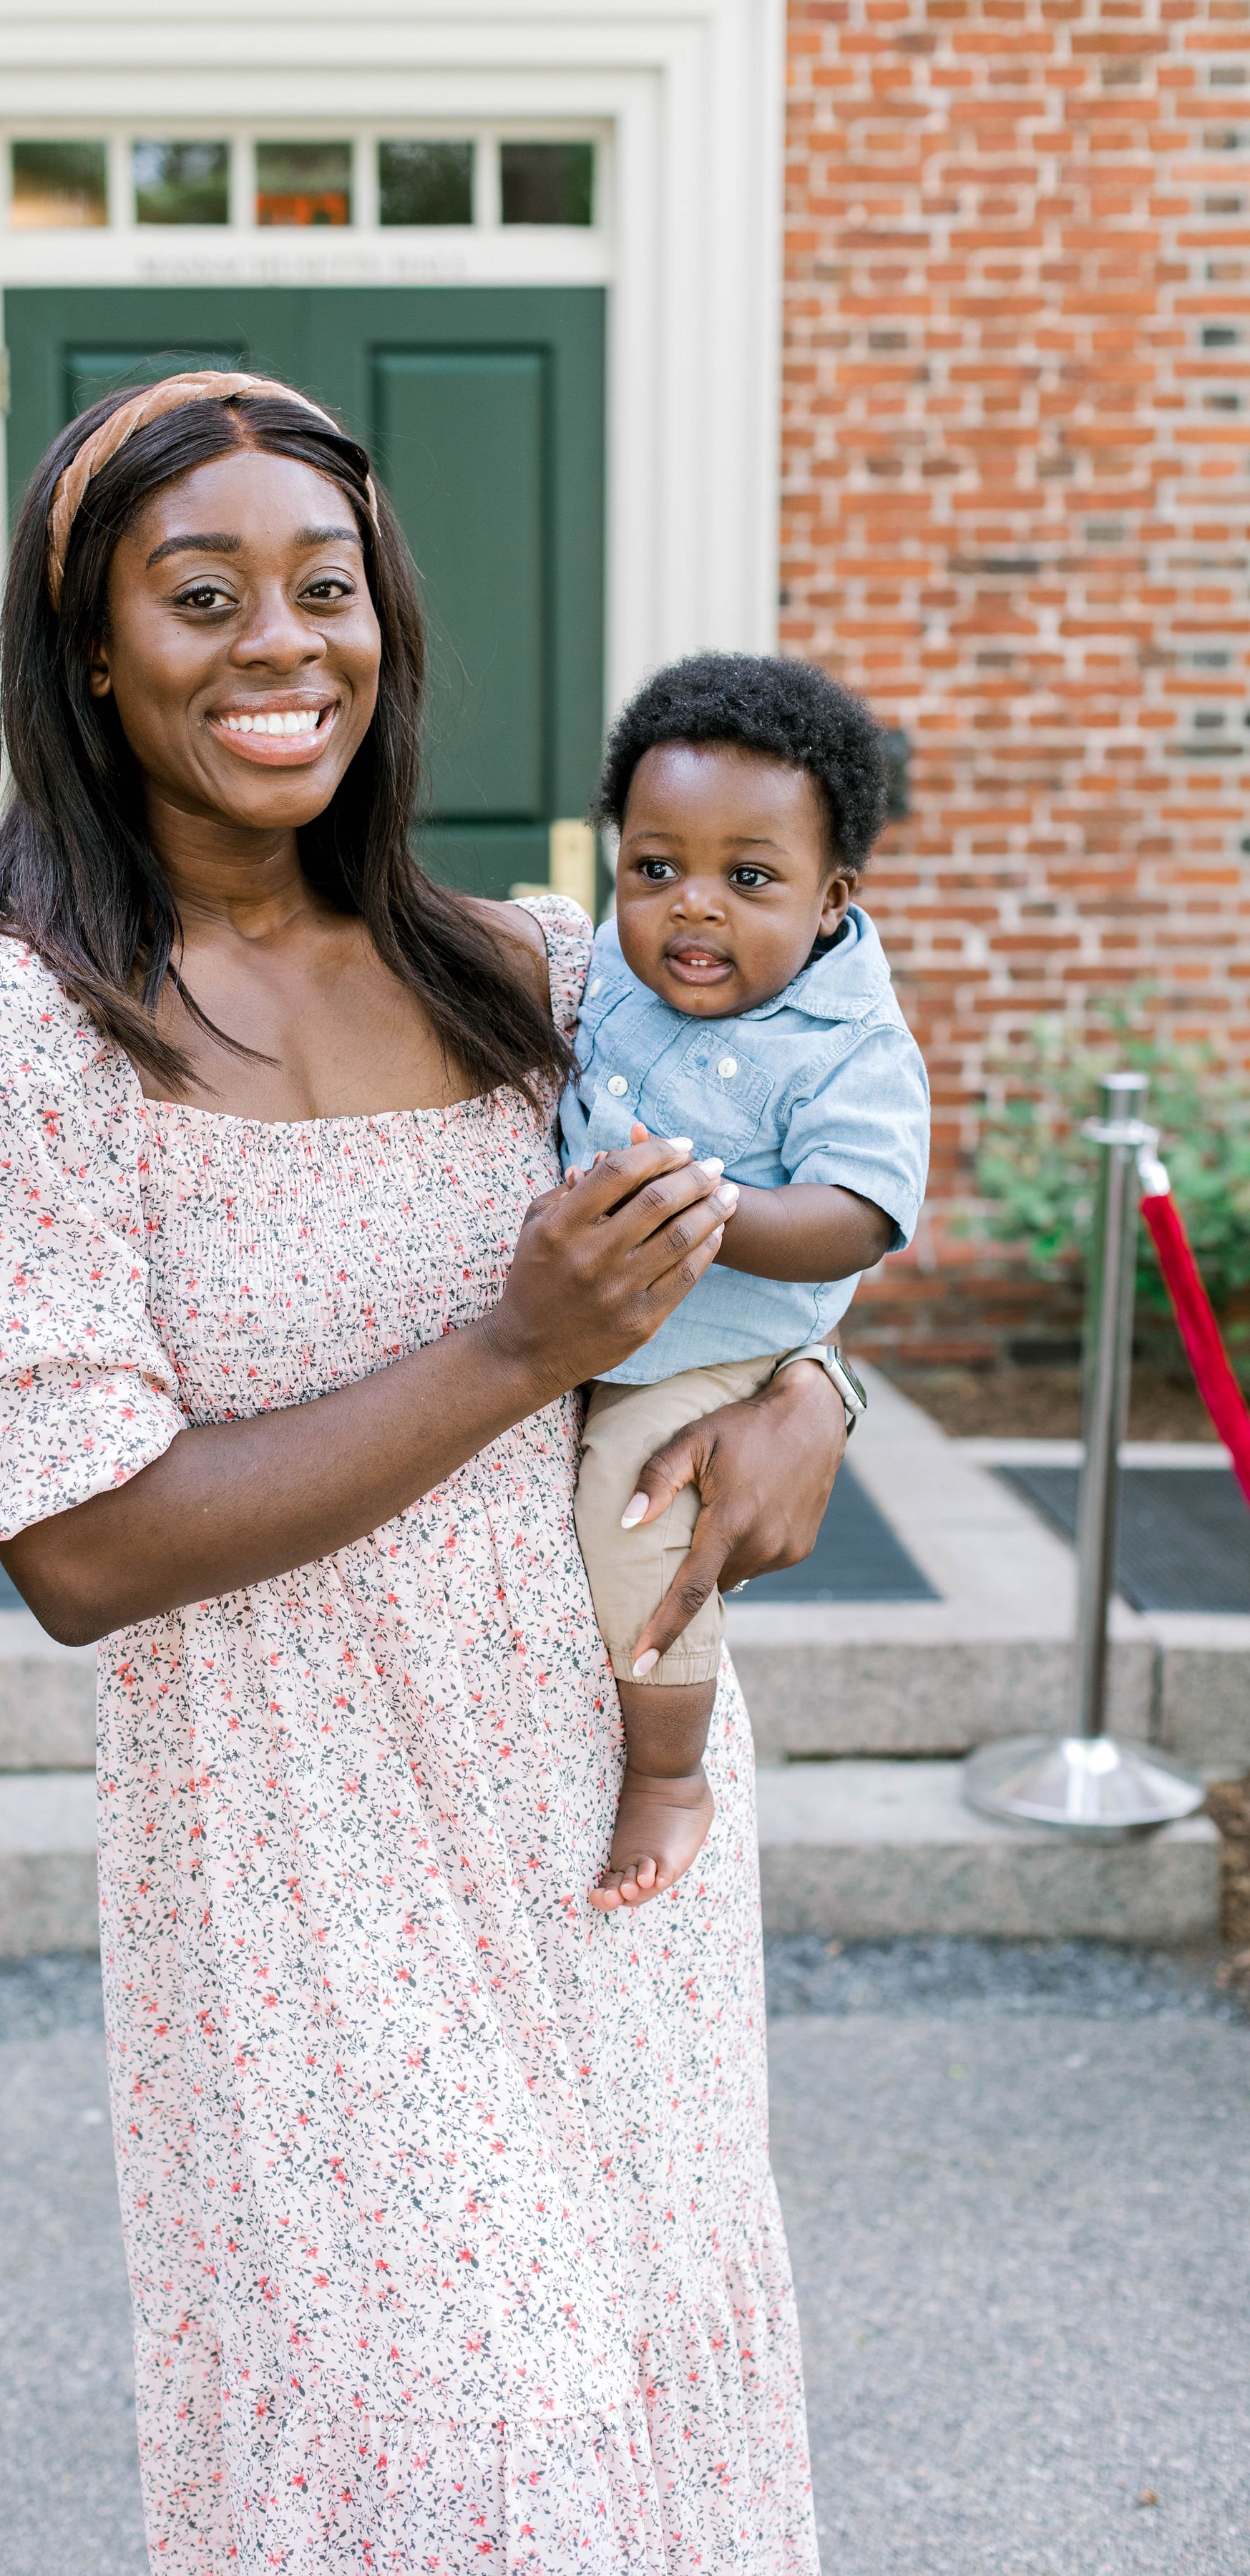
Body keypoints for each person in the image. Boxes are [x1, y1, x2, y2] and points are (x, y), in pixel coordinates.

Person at [0, 370, 848, 2571]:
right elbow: (85, 1544)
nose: (280, 645)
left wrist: (812, 1401)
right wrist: (514, 1345)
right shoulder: (8, 1041)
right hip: (303, 1871)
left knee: (659, 2392)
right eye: (200, 595)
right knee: (455, 2448)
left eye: (327, 588)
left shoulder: (539, 976)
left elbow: (777, 1230)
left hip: (615, 1818)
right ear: (92, 652)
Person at [566, 656, 930, 1911]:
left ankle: (670, 1772)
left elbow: (861, 1214)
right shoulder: (604, 975)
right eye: (655, 869)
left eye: (750, 878)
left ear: (831, 901)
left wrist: (722, 1214)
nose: (693, 909)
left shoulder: (847, 1045)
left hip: (713, 1355)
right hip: (598, 1342)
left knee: (631, 1516)